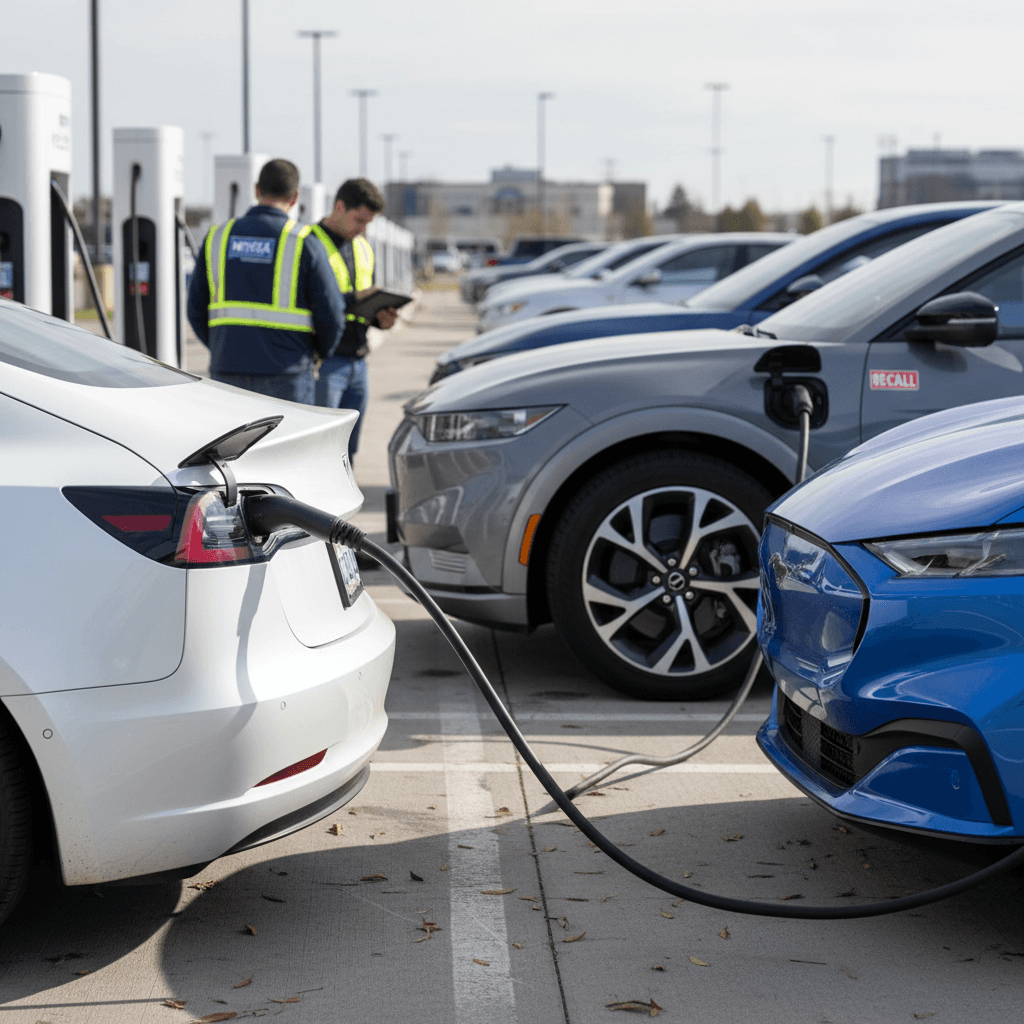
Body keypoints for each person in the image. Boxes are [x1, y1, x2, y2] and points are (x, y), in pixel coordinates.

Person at [187, 158, 347, 404]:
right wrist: (317, 354)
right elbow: (333, 313)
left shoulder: (217, 237)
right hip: (287, 375)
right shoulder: (305, 242)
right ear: (294, 198)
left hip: (227, 371)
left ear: (256, 190)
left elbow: (195, 309)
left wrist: (224, 347)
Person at [311, 178, 398, 458]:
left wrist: (378, 318)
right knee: (321, 447)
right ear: (339, 207)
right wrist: (355, 298)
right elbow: (310, 304)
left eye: (367, 223)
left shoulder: (363, 247)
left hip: (358, 363)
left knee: (349, 450)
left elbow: (362, 303)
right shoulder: (310, 244)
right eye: (358, 220)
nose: (362, 229)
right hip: (325, 362)